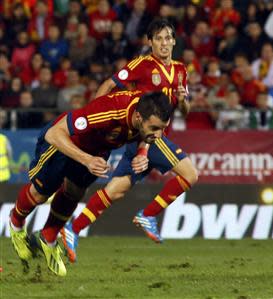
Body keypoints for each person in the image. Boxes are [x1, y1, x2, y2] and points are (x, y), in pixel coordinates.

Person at [61, 18, 198, 263]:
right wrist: (92, 116)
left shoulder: (181, 70)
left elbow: (185, 110)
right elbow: (108, 84)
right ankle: (148, 214)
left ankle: (73, 228)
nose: (164, 43)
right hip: (144, 135)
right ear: (150, 42)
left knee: (115, 191)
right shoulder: (142, 65)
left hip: (151, 136)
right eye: (159, 38)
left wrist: (183, 99)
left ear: (174, 41)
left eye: (168, 38)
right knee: (190, 174)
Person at [9, 90, 173, 277]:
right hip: (64, 144)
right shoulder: (109, 112)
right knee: (40, 194)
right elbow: (54, 134)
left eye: (163, 128)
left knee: (75, 191)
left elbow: (144, 135)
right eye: (154, 128)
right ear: (137, 116)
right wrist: (86, 160)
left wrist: (142, 153)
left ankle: (48, 238)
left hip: (97, 150)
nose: (159, 135)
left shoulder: (148, 112)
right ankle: (16, 224)